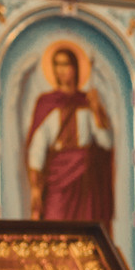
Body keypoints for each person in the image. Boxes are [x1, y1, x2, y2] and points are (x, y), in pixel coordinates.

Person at [26, 44, 114, 223]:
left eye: (66, 64)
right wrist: (35, 186)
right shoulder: (47, 103)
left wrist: (97, 109)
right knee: (55, 225)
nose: (61, 70)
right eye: (57, 65)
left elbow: (105, 143)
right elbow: (37, 146)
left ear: (75, 67)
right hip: (57, 177)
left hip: (84, 180)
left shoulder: (87, 103)